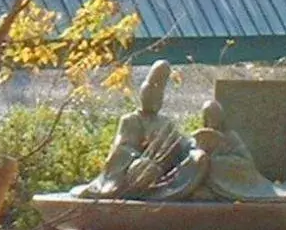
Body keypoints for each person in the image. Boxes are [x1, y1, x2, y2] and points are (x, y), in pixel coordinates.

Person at [71, 60, 206, 200]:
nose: (155, 100)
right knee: (145, 169)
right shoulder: (131, 120)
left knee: (198, 157)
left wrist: (195, 146)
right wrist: (139, 159)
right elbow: (121, 149)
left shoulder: (165, 122)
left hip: (166, 171)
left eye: (158, 96)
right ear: (143, 96)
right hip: (137, 170)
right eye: (151, 95)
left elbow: (180, 143)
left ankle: (175, 189)